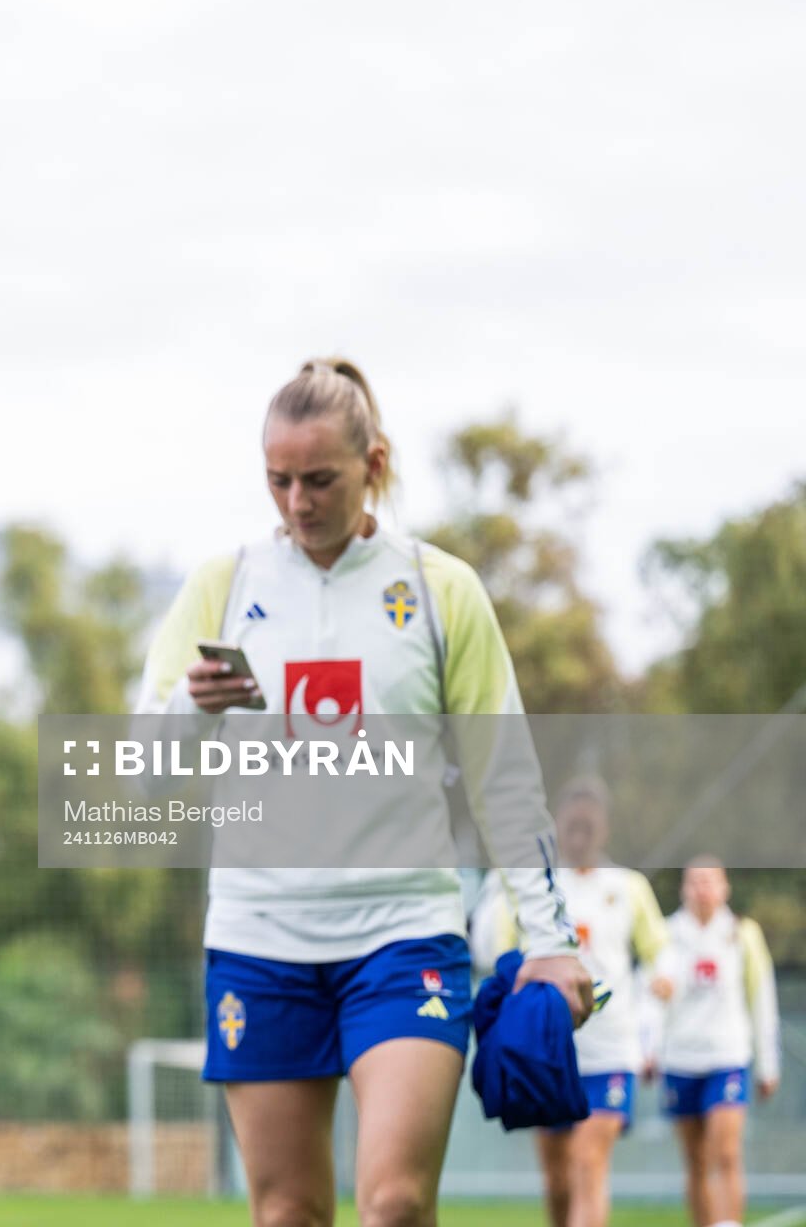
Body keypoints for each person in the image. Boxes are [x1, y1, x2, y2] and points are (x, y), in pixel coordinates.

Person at [134, 358, 594, 1227]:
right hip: (259, 939)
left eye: (320, 479)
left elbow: (505, 778)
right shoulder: (222, 587)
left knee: (395, 1202)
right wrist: (193, 709)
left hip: (404, 933)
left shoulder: (439, 588)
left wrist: (550, 940)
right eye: (278, 480)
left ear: (373, 464)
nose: (297, 502)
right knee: (287, 1214)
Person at [474, 779, 668, 1227]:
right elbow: (491, 951)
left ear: (605, 828)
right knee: (558, 1177)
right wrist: (498, 885)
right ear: (556, 826)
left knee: (588, 1161)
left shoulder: (629, 887)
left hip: (612, 1050)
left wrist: (661, 989)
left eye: (589, 823)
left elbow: (660, 953)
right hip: (551, 1051)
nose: (580, 832)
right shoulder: (533, 889)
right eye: (572, 823)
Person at [649, 859, 780, 1227]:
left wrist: (768, 1064)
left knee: (725, 1152)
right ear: (683, 889)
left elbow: (761, 998)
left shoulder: (742, 934)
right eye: (695, 882)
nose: (702, 889)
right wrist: (648, 1049)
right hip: (680, 1059)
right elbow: (652, 997)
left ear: (724, 888)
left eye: (709, 881)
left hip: (727, 1058)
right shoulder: (666, 934)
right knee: (696, 1160)